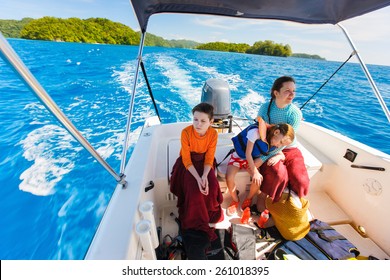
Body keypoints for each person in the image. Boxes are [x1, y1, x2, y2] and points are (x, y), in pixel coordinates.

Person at [170, 102, 223, 259]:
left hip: (204, 163)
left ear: (211, 122)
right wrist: (198, 178)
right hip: (188, 165)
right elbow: (186, 160)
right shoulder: (186, 132)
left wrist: (205, 176)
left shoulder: (213, 134)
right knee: (194, 189)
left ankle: (207, 212)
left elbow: (209, 157)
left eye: (203, 121)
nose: (198, 124)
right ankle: (195, 218)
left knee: (212, 186)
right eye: (195, 120)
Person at [255, 76, 310, 212]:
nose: (292, 94)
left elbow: (287, 140)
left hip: (289, 148)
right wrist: (269, 154)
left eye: (293, 91)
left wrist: (266, 158)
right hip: (270, 145)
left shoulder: (295, 113)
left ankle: (297, 204)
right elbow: (263, 133)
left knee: (301, 179)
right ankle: (262, 197)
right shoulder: (265, 108)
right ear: (276, 93)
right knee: (279, 174)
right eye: (287, 90)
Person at [226, 116, 295, 216]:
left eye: (282, 145)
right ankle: (235, 199)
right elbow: (248, 154)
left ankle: (248, 198)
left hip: (250, 161)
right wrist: (255, 172)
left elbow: (281, 154)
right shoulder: (255, 132)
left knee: (259, 180)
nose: (279, 146)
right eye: (280, 142)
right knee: (229, 177)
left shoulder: (273, 142)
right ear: (276, 132)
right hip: (239, 156)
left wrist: (278, 157)